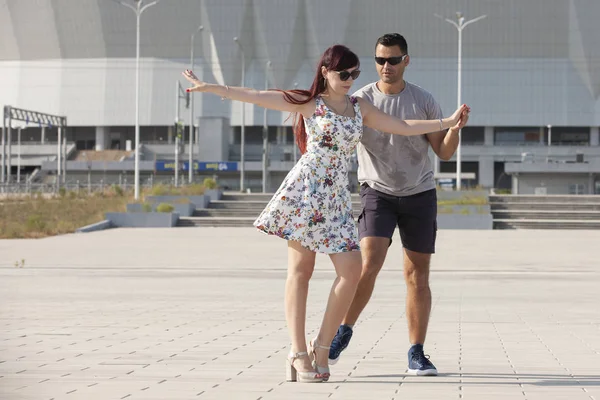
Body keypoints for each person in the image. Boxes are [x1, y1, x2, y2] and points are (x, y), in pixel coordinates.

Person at [182, 44, 469, 383]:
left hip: (335, 197)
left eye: (354, 74)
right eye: (342, 73)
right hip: (305, 191)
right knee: (301, 271)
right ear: (325, 72)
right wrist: (211, 88)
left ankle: (321, 346)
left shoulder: (359, 107)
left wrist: (446, 122)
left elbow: (402, 125)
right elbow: (258, 95)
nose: (349, 80)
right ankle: (297, 352)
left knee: (351, 271)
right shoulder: (310, 103)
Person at [329, 34, 470, 376]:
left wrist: (456, 128)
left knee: (416, 275)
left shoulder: (423, 99)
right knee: (368, 262)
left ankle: (416, 352)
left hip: (419, 193)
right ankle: (343, 331)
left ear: (407, 60)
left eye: (393, 60)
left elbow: (445, 152)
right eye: (380, 60)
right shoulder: (360, 100)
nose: (386, 67)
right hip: (376, 191)